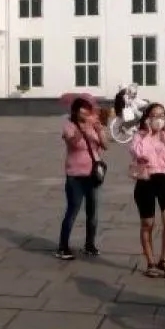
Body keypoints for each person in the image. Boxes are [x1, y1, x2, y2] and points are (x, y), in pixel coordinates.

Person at [129, 103, 165, 278]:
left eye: (162, 115)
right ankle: (150, 262)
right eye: (155, 116)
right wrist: (148, 133)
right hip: (145, 180)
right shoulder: (139, 136)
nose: (159, 119)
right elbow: (140, 153)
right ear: (147, 118)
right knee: (148, 223)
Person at [56, 96, 106, 260]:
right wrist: (83, 130)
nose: (85, 114)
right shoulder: (69, 126)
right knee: (73, 211)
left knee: (93, 212)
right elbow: (73, 143)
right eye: (82, 111)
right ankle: (63, 247)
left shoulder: (93, 126)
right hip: (75, 175)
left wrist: (99, 130)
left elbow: (105, 145)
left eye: (88, 111)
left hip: (93, 174)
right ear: (75, 112)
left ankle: (90, 245)